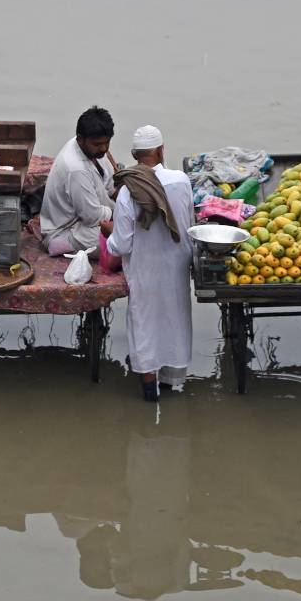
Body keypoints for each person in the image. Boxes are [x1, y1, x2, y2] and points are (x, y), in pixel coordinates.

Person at [102, 125, 195, 402]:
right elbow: (189, 223)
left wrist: (106, 237)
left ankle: (148, 392)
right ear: (161, 151)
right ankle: (170, 383)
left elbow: (121, 245)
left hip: (144, 270)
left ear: (134, 154)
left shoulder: (128, 191)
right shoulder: (181, 181)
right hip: (177, 266)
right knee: (174, 320)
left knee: (145, 324)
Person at [40, 106, 119, 257]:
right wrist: (120, 215)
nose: (103, 148)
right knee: (126, 242)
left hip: (88, 219)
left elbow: (110, 186)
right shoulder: (76, 169)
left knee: (129, 232)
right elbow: (92, 217)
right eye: (97, 144)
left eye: (107, 142)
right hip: (67, 231)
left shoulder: (93, 150)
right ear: (80, 139)